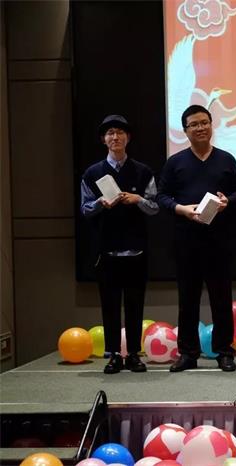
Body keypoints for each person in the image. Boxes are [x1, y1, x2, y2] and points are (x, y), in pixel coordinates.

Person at [156, 104, 236, 372]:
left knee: (221, 299)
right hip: (186, 242)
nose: (200, 128)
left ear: (211, 125)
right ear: (185, 130)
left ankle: (224, 352)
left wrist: (229, 201)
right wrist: (181, 209)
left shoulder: (226, 159)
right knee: (188, 300)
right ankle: (188, 353)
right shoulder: (175, 162)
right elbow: (161, 197)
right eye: (194, 124)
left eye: (205, 122)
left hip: (219, 242)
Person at [80, 115, 159, 374]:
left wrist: (138, 200)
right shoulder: (93, 173)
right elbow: (85, 208)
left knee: (135, 303)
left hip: (136, 250)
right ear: (104, 139)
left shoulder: (143, 171)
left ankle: (134, 353)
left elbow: (155, 206)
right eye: (110, 133)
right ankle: (114, 354)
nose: (115, 137)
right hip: (107, 251)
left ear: (128, 137)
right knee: (110, 304)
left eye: (120, 132)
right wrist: (100, 203)